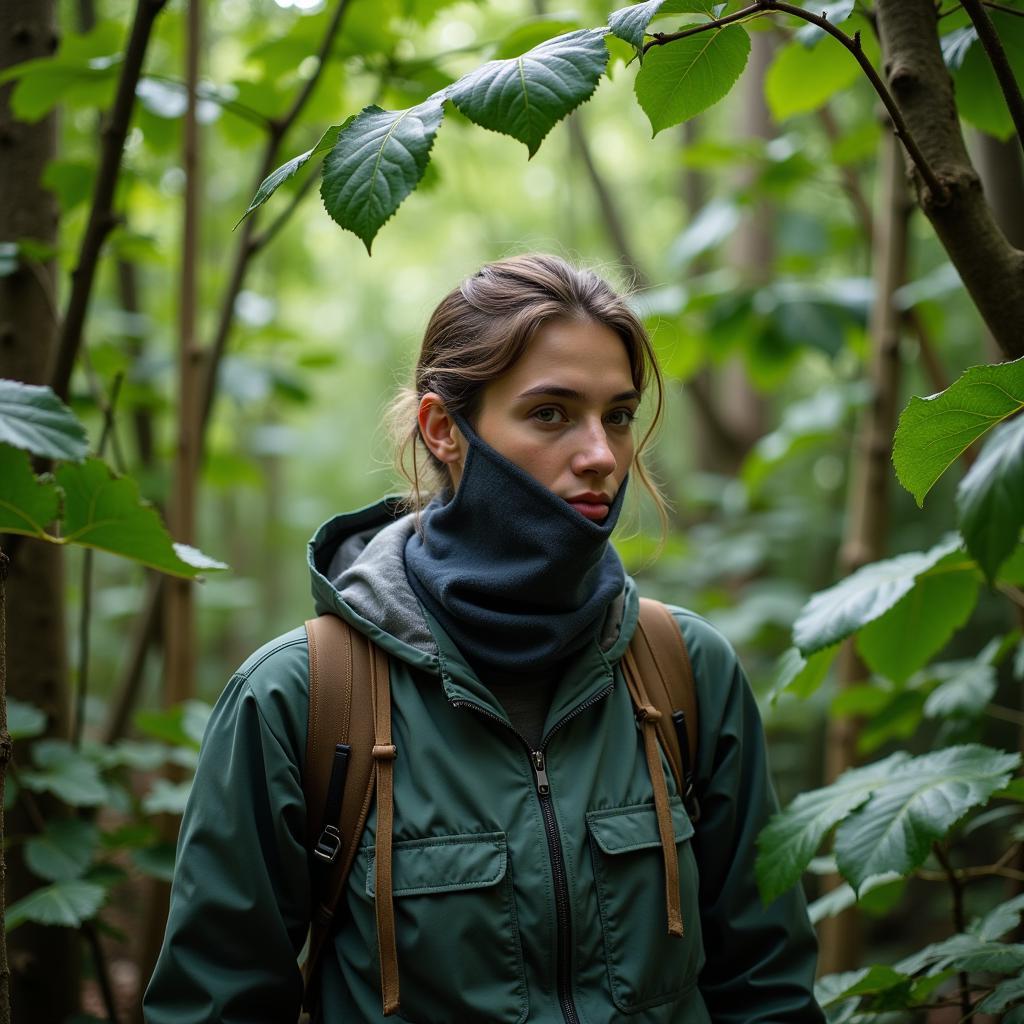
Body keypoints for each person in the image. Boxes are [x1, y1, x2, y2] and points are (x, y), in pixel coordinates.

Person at [144, 254, 824, 1023]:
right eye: (551, 413)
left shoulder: (683, 671)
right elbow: (216, 1006)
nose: (601, 454)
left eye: (619, 414)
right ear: (444, 431)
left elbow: (766, 989)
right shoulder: (300, 697)